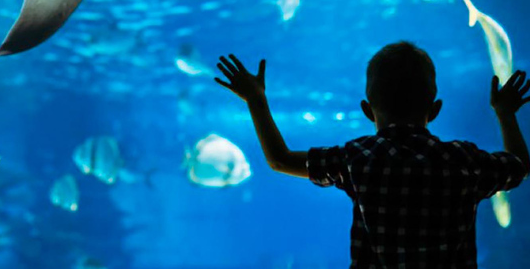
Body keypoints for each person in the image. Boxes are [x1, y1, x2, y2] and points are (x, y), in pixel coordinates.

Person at [215, 41, 530, 268]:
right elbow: (520, 166)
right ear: (435, 110)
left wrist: (255, 99)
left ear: (367, 110)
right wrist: (505, 113)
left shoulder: (359, 158)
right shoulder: (464, 161)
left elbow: (279, 159)